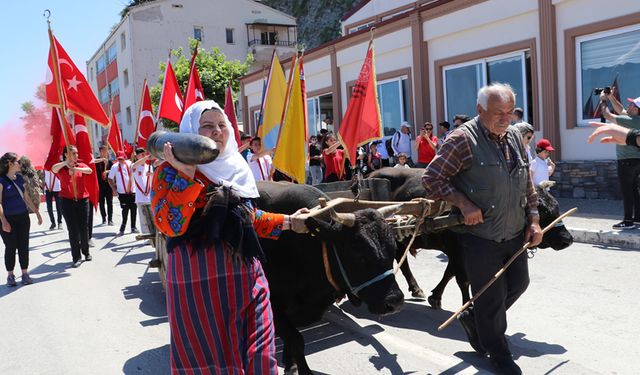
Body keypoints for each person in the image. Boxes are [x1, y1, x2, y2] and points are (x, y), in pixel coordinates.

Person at [151, 100, 309, 374]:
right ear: (190, 132)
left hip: (246, 279)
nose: (217, 131)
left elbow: (247, 218)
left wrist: (289, 221)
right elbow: (170, 225)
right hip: (198, 287)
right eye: (207, 126)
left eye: (222, 125)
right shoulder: (168, 171)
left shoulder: (237, 169)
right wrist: (187, 174)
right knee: (210, 365)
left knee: (261, 359)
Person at [423, 83, 542, 375]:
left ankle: (475, 319)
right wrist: (462, 202)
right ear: (479, 110)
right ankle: (498, 352)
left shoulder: (514, 135)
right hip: (480, 237)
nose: (505, 118)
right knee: (490, 298)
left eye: (509, 112)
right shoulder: (462, 139)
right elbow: (432, 178)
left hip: (514, 232)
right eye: (497, 112)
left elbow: (525, 180)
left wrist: (534, 219)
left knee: (518, 285)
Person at [1, 152, 42, 286]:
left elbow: (26, 197)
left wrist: (36, 211)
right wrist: (4, 221)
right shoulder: (1, 181)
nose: (20, 163)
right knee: (11, 247)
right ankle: (10, 275)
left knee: (24, 246)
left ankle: (25, 273)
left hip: (23, 217)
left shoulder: (19, 178)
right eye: (17, 161)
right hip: (8, 219)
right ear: (10, 163)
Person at [601, 93, 640, 230]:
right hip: (637, 161)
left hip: (626, 161)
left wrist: (603, 101)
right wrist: (611, 97)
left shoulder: (630, 120)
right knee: (635, 191)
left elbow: (608, 115)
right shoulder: (634, 119)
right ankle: (637, 219)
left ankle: (628, 221)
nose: (628, 106)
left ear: (636, 110)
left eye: (632, 105)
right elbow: (621, 109)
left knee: (627, 191)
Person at [52, 146, 93, 268]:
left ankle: (86, 251)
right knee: (73, 230)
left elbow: (89, 170)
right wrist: (66, 163)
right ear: (66, 154)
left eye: (76, 153)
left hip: (82, 200)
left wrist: (75, 169)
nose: (75, 156)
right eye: (73, 153)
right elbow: (53, 169)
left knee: (83, 228)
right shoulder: (61, 168)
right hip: (67, 201)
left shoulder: (80, 165)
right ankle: (76, 257)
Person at [108, 151, 138, 235]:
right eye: (119, 159)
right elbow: (110, 179)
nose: (121, 160)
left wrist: (135, 158)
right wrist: (114, 189)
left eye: (122, 158)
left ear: (125, 157)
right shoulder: (114, 166)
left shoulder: (130, 163)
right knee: (125, 210)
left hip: (132, 191)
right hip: (122, 193)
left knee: (133, 209)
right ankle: (123, 225)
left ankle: (133, 226)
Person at [131, 148, 153, 235]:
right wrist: (146, 158)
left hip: (150, 196)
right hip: (140, 197)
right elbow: (134, 165)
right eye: (141, 155)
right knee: (143, 218)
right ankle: (146, 235)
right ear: (136, 156)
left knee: (152, 218)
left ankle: (153, 234)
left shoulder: (149, 167)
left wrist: (152, 174)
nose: (143, 156)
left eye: (144, 154)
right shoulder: (134, 166)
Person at [94, 145, 114, 225]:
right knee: (101, 203)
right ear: (101, 151)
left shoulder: (109, 162)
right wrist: (102, 159)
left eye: (107, 151)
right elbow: (92, 162)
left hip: (108, 185)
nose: (106, 153)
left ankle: (110, 219)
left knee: (110, 202)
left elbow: (114, 170)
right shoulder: (97, 161)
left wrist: (108, 171)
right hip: (99, 186)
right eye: (104, 151)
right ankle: (104, 218)